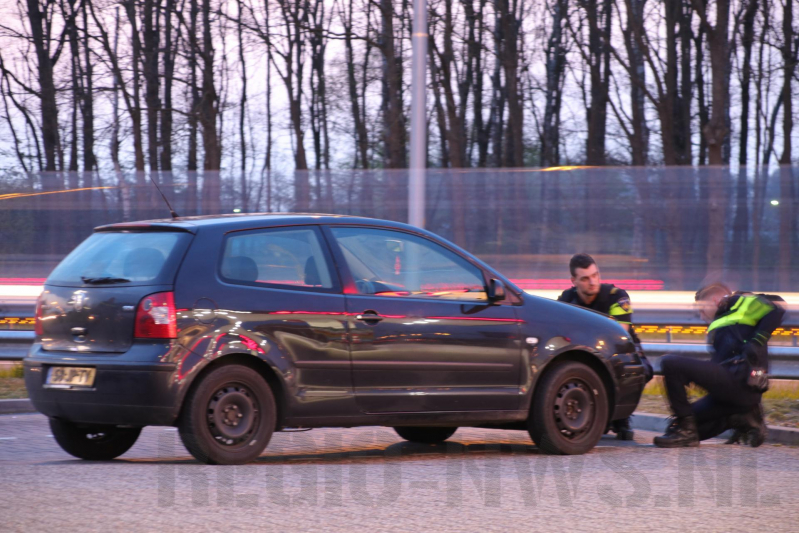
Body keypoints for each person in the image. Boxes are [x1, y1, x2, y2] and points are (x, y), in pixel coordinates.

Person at [654, 283, 785, 448]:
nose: (702, 317)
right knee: (677, 427)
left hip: (739, 380)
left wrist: (757, 341)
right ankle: (741, 419)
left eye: (701, 310)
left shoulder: (738, 301)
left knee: (670, 363)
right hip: (732, 391)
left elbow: (777, 309)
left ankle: (687, 431)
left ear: (715, 301)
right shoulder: (722, 322)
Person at [558, 253, 654, 440]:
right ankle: (599, 415)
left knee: (641, 371)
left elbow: (619, 336)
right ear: (573, 280)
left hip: (622, 351)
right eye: (585, 279)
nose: (593, 282)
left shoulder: (617, 296)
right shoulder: (566, 300)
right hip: (586, 352)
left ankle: (621, 417)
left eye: (595, 275)